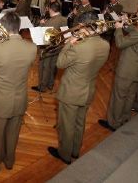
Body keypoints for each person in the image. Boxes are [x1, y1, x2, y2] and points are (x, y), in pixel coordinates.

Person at [0, 11, 37, 173]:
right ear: (19, 27)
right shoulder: (32, 48)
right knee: (13, 132)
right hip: (19, 97)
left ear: (3, 28)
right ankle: (9, 161)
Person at [47, 12, 110, 165]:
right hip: (88, 89)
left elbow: (60, 63)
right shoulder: (105, 44)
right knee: (79, 122)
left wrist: (70, 42)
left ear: (82, 26)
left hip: (71, 92)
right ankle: (75, 150)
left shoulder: (79, 46)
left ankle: (64, 154)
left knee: (66, 125)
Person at [99, 0, 138, 131]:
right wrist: (126, 25)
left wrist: (118, 29)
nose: (136, 14)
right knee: (130, 95)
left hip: (127, 68)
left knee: (119, 96)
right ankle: (124, 117)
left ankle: (113, 123)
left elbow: (121, 43)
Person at [32, 2, 68, 93]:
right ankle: (50, 84)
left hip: (47, 47)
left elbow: (40, 36)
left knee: (44, 67)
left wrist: (41, 24)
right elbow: (66, 33)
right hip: (57, 47)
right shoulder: (64, 19)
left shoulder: (50, 22)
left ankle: (42, 86)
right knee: (52, 66)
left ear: (51, 10)